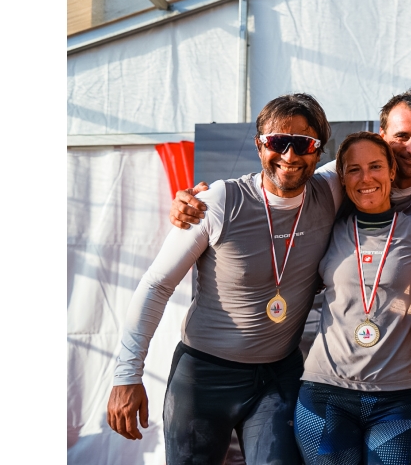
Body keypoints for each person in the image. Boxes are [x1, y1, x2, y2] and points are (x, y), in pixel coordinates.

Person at [171, 87, 411, 464]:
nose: (410, 147)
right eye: (400, 137)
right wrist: (198, 201)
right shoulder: (332, 212)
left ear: (390, 167)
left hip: (398, 392)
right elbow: (280, 179)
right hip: (324, 391)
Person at [106, 93, 341, 463]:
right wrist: (125, 375)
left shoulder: (331, 191)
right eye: (278, 142)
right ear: (259, 145)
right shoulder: (219, 201)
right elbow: (156, 285)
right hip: (204, 378)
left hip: (278, 378)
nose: (290, 156)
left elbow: (397, 162)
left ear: (319, 151)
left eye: (303, 144)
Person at [294, 131, 411, 464]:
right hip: (325, 395)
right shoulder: (326, 229)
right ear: (341, 178)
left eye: (375, 166)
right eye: (353, 169)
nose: (365, 178)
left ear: (392, 171)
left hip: (396, 399)